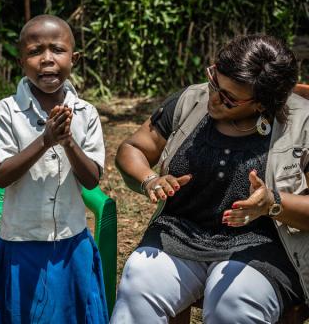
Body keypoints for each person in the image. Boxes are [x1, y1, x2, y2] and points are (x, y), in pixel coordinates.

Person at [111, 34, 309, 323]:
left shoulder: (303, 124)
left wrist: (272, 203)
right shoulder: (192, 99)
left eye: (229, 98)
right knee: (138, 281)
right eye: (214, 81)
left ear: (262, 104)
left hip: (265, 246)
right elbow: (133, 148)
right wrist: (150, 179)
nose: (213, 98)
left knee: (233, 301)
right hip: (180, 233)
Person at [0, 14, 108, 323]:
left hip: (71, 242)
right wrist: (45, 140)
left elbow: (91, 180)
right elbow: (1, 175)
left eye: (57, 50)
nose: (47, 59)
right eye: (35, 51)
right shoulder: (6, 111)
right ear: (21, 61)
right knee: (22, 313)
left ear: (74, 58)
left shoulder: (87, 113)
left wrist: (68, 142)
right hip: (21, 243)